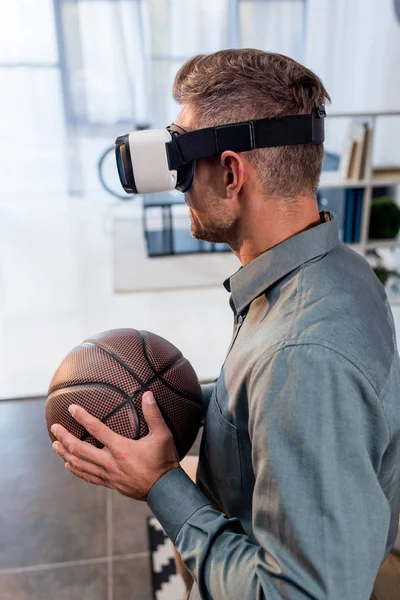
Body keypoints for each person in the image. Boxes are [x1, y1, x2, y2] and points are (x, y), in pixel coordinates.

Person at [51, 49, 400, 599]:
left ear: (232, 172)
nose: (180, 185)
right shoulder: (337, 271)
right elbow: (276, 404)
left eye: (184, 163)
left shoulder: (301, 355)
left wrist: (162, 485)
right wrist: (167, 396)